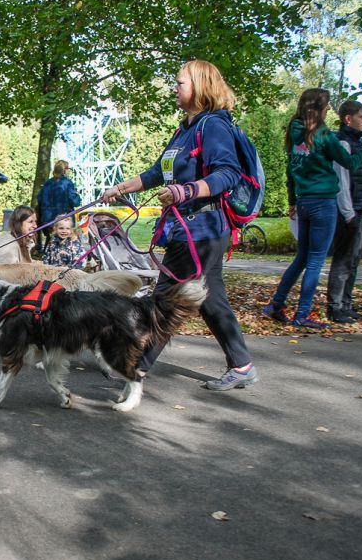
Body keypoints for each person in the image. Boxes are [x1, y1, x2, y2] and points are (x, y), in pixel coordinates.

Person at [100, 59, 256, 391]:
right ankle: (242, 364)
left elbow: (228, 173)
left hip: (202, 229)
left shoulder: (213, 126)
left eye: (180, 83)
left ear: (201, 86)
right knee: (211, 299)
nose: (175, 88)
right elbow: (158, 172)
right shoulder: (186, 129)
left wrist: (186, 190)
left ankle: (137, 366)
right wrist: (119, 188)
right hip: (192, 228)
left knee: (167, 296)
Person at [262, 88, 362, 329]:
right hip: (323, 203)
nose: (330, 108)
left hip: (304, 201)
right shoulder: (323, 135)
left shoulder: (295, 132)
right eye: (328, 104)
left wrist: (292, 201)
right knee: (314, 262)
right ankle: (302, 314)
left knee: (302, 258)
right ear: (320, 107)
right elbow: (351, 162)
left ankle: (276, 304)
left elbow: (290, 171)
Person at [325, 100, 362, 323]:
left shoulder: (355, 144)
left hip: (357, 207)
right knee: (343, 259)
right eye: (361, 116)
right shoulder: (343, 144)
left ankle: (346, 304)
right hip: (348, 210)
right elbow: (341, 182)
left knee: (353, 258)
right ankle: (335, 306)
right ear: (348, 118)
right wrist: (348, 212)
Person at [37, 160, 81, 245]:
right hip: (64, 219)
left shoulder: (47, 183)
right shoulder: (67, 183)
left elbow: (40, 199)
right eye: (68, 169)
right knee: (66, 243)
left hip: (48, 221)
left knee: (51, 241)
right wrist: (78, 197)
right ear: (64, 170)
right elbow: (75, 202)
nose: (69, 171)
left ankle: (48, 255)